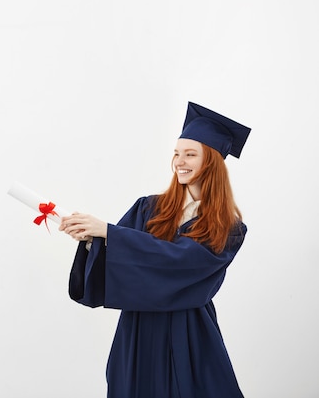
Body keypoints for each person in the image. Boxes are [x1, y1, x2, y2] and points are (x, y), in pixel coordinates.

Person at [59, 102, 251, 398]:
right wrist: (93, 239)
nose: (179, 162)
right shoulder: (148, 207)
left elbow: (182, 262)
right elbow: (118, 259)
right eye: (176, 153)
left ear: (210, 162)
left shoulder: (228, 227)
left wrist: (110, 233)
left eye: (190, 154)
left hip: (188, 333)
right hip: (138, 330)